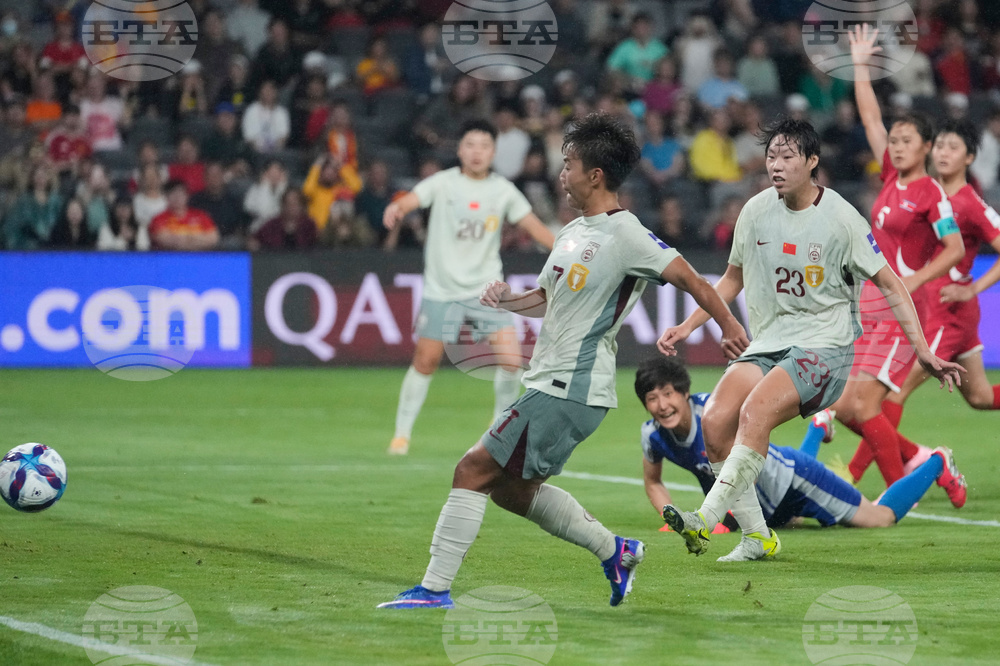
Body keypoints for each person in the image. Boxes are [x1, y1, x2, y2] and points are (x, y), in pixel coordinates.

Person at [378, 112, 748, 610]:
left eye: (568, 163)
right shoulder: (573, 232)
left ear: (594, 175)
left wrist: (729, 326)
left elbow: (694, 281)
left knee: (471, 469)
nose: (561, 173)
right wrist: (509, 300)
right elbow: (547, 297)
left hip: (571, 386)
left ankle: (434, 589)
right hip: (553, 382)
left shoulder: (627, 234)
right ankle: (614, 551)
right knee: (510, 490)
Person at [656, 115, 963, 561]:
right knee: (715, 421)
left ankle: (705, 518)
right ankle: (758, 537)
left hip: (826, 345)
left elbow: (892, 284)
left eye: (786, 156)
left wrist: (924, 351)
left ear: (812, 161)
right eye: (770, 156)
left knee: (755, 411)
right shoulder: (756, 211)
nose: (775, 166)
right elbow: (730, 280)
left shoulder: (841, 219)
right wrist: (688, 325)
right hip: (770, 342)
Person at [828, 26, 966, 502]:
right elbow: (869, 117)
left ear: (926, 147)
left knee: (865, 405)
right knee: (846, 407)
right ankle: (933, 462)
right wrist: (861, 65)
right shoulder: (890, 177)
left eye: (908, 140)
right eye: (897, 139)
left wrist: (915, 277)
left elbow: (954, 250)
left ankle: (892, 498)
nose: (898, 145)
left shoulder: (932, 194)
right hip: (871, 299)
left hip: (904, 305)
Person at [637, 357, 963, 540]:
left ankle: (937, 461)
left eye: (668, 394)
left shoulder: (712, 412)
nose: (662, 405)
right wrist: (671, 515)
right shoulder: (652, 436)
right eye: (652, 398)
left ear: (683, 393)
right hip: (768, 504)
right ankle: (819, 428)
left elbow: (747, 456)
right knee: (789, 517)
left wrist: (723, 517)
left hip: (794, 479)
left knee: (878, 518)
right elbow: (653, 481)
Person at [382, 119, 555, 456]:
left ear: (493, 152)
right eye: (471, 145)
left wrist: (569, 253)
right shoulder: (443, 183)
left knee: (510, 361)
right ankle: (401, 436)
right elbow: (411, 199)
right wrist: (397, 206)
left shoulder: (502, 190)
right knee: (426, 360)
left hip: (486, 291)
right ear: (460, 149)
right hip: (441, 289)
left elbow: (534, 227)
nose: (477, 152)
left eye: (484, 146)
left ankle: (498, 432)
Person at [849, 120, 1000, 483]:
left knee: (888, 396)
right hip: (933, 307)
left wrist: (971, 288)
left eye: (953, 148)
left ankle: (854, 476)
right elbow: (872, 124)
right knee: (979, 396)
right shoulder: (925, 193)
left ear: (970, 157)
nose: (944, 153)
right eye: (941, 146)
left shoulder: (970, 204)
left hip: (948, 313)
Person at [148, 180, 220, 251]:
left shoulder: (201, 215)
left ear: (187, 196)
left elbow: (213, 238)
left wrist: (185, 239)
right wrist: (195, 238)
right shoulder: (158, 219)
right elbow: (164, 240)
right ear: (166, 197)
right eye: (173, 193)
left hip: (199, 257)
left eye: (181, 193)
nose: (177, 197)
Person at [249, 188, 316, 250]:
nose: (291, 207)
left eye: (295, 204)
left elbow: (315, 247)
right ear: (283, 205)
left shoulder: (309, 225)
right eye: (288, 204)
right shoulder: (272, 224)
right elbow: (255, 239)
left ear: (302, 206)